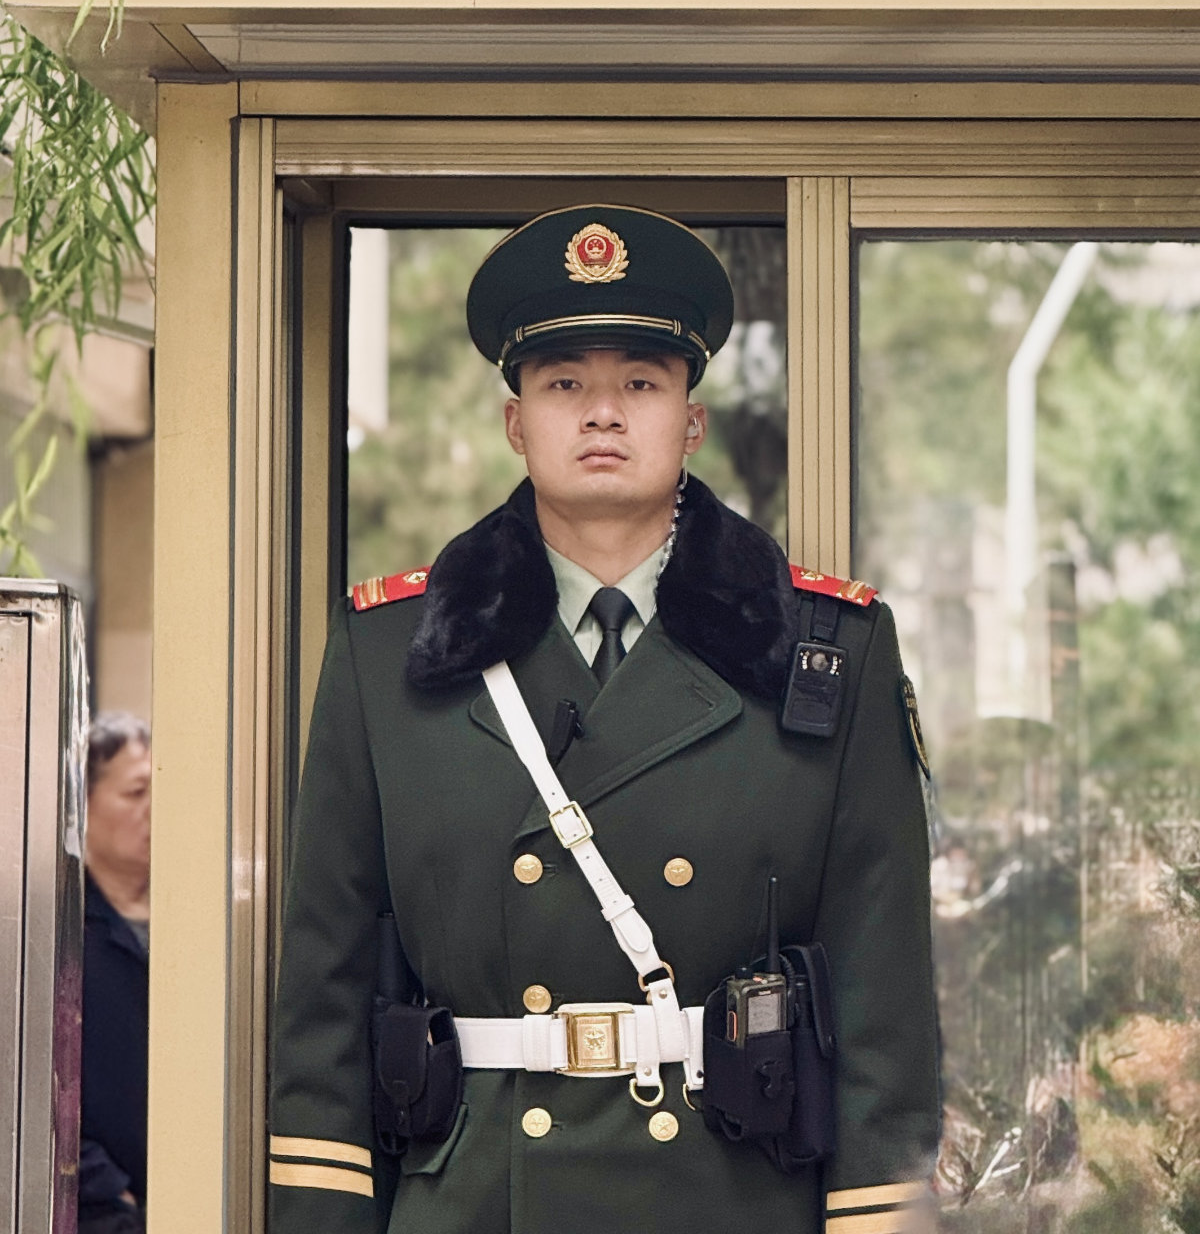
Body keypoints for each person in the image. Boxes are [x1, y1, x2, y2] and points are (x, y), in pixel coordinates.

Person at [270, 205, 940, 1234]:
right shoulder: (387, 652)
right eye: (564, 384)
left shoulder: (827, 649)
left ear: (691, 419)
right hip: (479, 1197)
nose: (602, 413)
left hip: (729, 1196)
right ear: (516, 421)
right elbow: (323, 1003)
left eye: (640, 381)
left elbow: (882, 1003)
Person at [79, 712, 151, 1234]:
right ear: (83, 804)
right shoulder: (55, 935)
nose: (155, 810)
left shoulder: (202, 929)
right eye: (135, 793)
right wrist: (108, 1191)